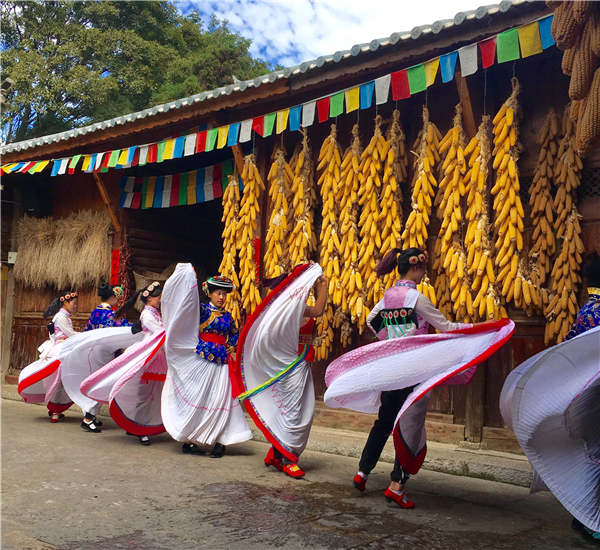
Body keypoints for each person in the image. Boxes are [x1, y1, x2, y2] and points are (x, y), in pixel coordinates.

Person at [324, 247, 513, 509]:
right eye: (423, 269)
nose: (424, 274)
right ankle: (396, 486)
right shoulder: (416, 298)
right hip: (413, 370)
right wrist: (476, 329)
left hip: (392, 369)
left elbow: (370, 319)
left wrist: (389, 342)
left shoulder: (388, 296)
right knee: (409, 424)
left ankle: (362, 472)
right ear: (416, 268)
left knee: (385, 420)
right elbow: (446, 327)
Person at [501, 252, 600, 545]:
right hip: (594, 396)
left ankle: (584, 513)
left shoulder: (588, 309)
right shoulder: (596, 312)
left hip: (587, 395)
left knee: (592, 454)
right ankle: (590, 519)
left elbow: (570, 347)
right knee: (595, 455)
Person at [236, 263, 327, 478]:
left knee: (296, 409)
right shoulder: (280, 313)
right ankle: (288, 458)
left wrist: (324, 285)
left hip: (301, 365)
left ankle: (276, 454)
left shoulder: (302, 308)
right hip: (286, 366)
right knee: (292, 411)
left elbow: (318, 310)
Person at [161, 265, 251, 458]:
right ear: (209, 294)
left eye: (224, 294)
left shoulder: (228, 317)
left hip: (222, 364)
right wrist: (190, 281)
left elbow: (234, 335)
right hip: (202, 360)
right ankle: (191, 438)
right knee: (199, 397)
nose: (221, 297)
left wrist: (232, 347)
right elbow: (186, 309)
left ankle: (221, 442)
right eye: (218, 293)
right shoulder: (200, 311)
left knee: (222, 399)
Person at [81, 282, 167, 445]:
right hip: (117, 351)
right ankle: (91, 417)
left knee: (135, 388)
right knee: (120, 384)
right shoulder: (140, 315)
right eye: (158, 297)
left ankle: (132, 423)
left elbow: (90, 329)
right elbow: (154, 332)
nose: (160, 300)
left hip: (100, 348)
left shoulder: (96, 312)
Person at [18, 291, 79, 422]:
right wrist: (86, 336)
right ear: (66, 303)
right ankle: (55, 411)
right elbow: (70, 334)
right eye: (74, 303)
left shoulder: (63, 316)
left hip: (64, 349)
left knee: (60, 380)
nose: (75, 306)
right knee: (59, 381)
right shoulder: (61, 317)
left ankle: (54, 409)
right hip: (61, 351)